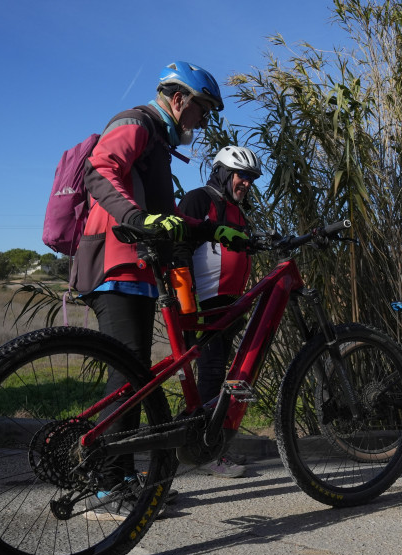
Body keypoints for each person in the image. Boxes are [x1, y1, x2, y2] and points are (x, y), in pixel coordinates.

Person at [72, 61, 245, 520]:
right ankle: (106, 487)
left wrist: (212, 231)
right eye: (203, 109)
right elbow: (98, 171)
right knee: (127, 372)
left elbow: (166, 216)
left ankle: (126, 480)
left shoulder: (161, 143)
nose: (204, 120)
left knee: (135, 374)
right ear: (180, 99)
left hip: (138, 271)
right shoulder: (137, 123)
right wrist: (136, 219)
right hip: (115, 264)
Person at [178, 145, 264, 479]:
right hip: (204, 302)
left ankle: (208, 445)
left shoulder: (237, 209)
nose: (247, 184)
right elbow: (181, 243)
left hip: (230, 301)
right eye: (243, 176)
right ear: (225, 173)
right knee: (211, 372)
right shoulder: (200, 199)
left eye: (251, 179)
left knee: (219, 373)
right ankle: (206, 452)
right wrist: (185, 300)